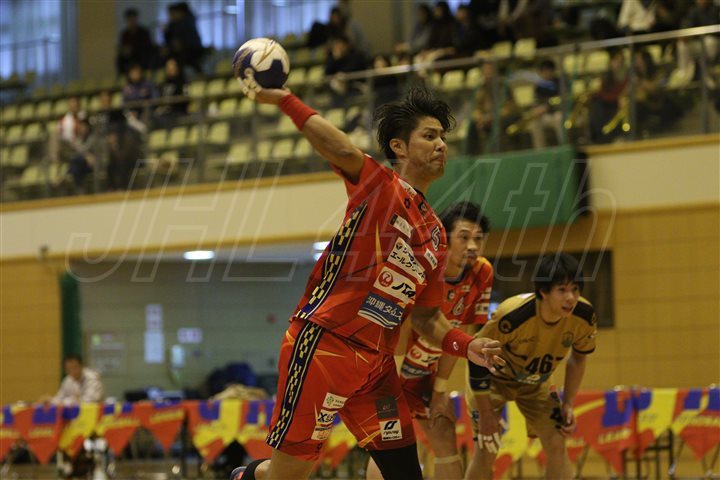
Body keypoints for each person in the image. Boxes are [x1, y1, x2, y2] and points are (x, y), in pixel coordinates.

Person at [230, 78, 504, 479]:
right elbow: (341, 149)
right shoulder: (381, 186)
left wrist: (468, 345)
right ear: (399, 147)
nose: (441, 145)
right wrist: (285, 99)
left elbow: (428, 318)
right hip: (326, 345)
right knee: (289, 475)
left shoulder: (435, 234)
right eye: (429, 136)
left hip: (376, 366)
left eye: (443, 138)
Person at [366, 201, 494, 480]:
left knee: (445, 433)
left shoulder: (482, 272)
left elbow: (461, 336)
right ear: (445, 239)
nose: (472, 246)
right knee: (391, 445)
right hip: (389, 367)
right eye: (464, 237)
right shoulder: (422, 265)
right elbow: (398, 324)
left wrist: (439, 391)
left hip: (423, 374)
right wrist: (391, 384)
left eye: (478, 238)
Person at [465, 253, 597, 480]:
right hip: (493, 380)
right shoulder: (513, 315)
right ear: (543, 292)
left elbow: (578, 358)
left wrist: (568, 404)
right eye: (562, 290)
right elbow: (477, 355)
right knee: (487, 447)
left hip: (537, 383)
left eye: (575, 289)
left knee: (557, 441)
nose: (570, 298)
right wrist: (486, 413)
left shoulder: (584, 316)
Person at [116, 7, 156, 75]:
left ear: (136, 19)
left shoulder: (144, 32)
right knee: (120, 58)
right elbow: (123, 47)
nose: (132, 22)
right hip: (130, 57)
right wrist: (125, 50)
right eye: (129, 20)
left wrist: (134, 49)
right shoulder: (125, 34)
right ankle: (123, 75)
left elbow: (148, 47)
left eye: (133, 19)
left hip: (141, 56)